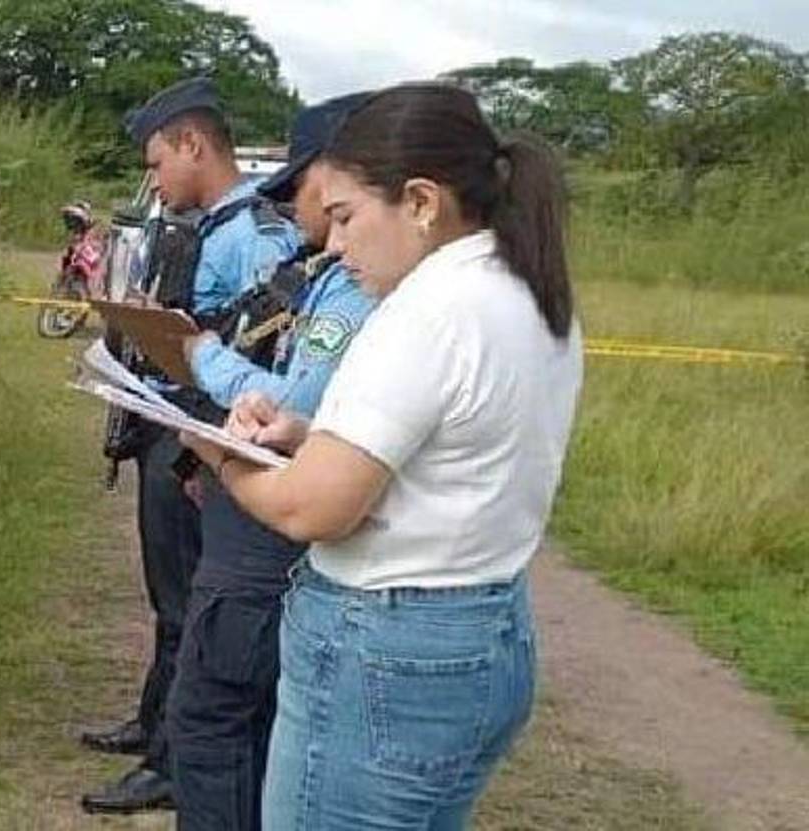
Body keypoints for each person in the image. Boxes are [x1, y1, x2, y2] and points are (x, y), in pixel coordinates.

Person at [182, 83, 584, 829]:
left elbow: (311, 509)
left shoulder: (425, 312)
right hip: (483, 625)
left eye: (345, 216)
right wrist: (309, 436)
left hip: (383, 645)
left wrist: (218, 451)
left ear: (422, 202)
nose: (335, 246)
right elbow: (448, 450)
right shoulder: (524, 290)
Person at [80, 77, 301, 815]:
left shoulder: (256, 236)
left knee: (190, 602)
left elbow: (264, 355)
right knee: (168, 591)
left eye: (157, 163)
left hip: (204, 439)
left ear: (192, 144)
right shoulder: (204, 225)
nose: (154, 181)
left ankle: (173, 760)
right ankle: (156, 723)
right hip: (171, 424)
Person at [166, 93, 376, 830]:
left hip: (268, 537)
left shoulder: (355, 287)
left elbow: (299, 396)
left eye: (313, 195)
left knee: (214, 714)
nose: (298, 212)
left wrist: (205, 360)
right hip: (269, 515)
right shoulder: (327, 270)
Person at [59, 200, 106, 298]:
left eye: (75, 222)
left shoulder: (94, 234)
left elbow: (96, 251)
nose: (72, 225)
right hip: (75, 268)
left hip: (87, 267)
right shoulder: (76, 239)